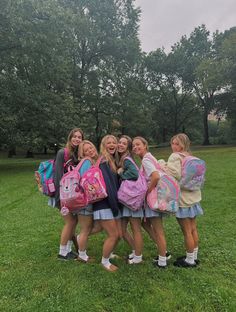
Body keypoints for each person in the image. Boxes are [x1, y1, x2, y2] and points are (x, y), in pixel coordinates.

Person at [166, 133, 203, 267]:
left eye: (177, 144)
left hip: (182, 200)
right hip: (194, 198)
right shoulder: (192, 157)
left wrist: (163, 165)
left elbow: (174, 174)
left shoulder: (175, 157)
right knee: (193, 228)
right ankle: (194, 255)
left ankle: (190, 260)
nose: (174, 147)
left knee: (187, 231)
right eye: (173, 143)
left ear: (184, 145)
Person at [132, 136, 168, 268]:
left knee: (158, 231)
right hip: (156, 198)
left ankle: (163, 260)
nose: (135, 147)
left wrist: (147, 191)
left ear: (145, 145)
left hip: (153, 199)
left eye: (138, 144)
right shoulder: (150, 157)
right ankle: (163, 252)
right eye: (133, 146)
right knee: (145, 223)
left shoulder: (146, 160)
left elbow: (155, 176)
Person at [54, 128, 84, 260]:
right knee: (70, 222)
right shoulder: (62, 153)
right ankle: (62, 253)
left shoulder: (77, 155)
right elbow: (58, 176)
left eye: (79, 137)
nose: (77, 139)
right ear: (70, 138)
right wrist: (59, 198)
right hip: (63, 196)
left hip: (73, 196)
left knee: (74, 221)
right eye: (75, 136)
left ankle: (69, 250)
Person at [93, 135, 121, 272]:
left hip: (107, 204)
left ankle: (79, 237)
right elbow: (109, 188)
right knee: (113, 235)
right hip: (105, 205)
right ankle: (104, 261)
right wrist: (115, 208)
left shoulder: (111, 160)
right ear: (103, 146)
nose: (112, 144)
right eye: (108, 143)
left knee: (99, 229)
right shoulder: (104, 162)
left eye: (114, 142)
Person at [117, 135, 144, 264]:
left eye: (124, 143)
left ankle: (138, 257)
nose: (120, 144)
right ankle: (135, 250)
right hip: (126, 200)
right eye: (119, 142)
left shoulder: (126, 159)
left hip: (131, 199)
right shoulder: (123, 158)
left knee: (135, 229)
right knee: (122, 231)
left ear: (128, 147)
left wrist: (121, 173)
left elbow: (134, 174)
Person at [76, 140, 99, 263]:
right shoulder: (87, 162)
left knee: (96, 226)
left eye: (91, 147)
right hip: (85, 200)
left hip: (86, 200)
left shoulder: (90, 161)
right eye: (86, 150)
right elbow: (85, 182)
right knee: (86, 229)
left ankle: (80, 239)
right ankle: (82, 255)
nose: (90, 150)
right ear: (83, 153)